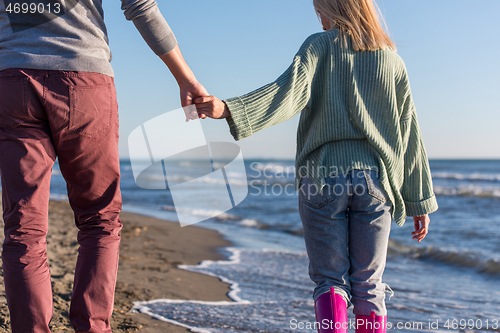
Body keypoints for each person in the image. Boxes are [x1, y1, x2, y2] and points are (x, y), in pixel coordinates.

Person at [194, 0, 438, 332]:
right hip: (375, 183)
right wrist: (419, 200)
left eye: (318, 8)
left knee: (329, 280)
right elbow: (408, 133)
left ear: (333, 9)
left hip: (321, 178)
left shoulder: (319, 46)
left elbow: (286, 94)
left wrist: (228, 109)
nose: (318, 17)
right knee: (369, 283)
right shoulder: (392, 60)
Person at [0, 1, 207, 332]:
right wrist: (186, 77)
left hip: (13, 80)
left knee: (23, 227)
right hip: (82, 77)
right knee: (100, 220)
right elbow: (140, 5)